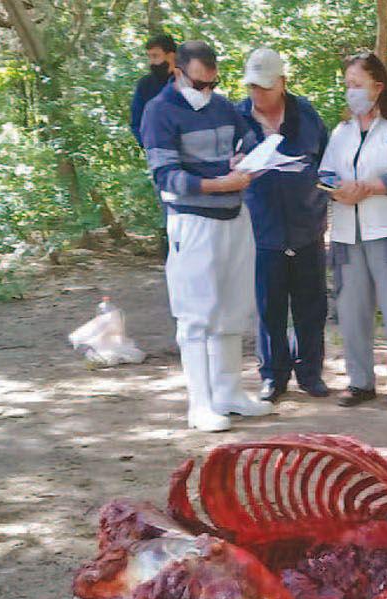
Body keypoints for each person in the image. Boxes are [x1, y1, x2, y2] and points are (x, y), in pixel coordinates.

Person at [141, 40, 272, 431]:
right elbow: (167, 176)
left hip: (235, 218)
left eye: (212, 83)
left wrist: (247, 164)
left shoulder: (223, 107)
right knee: (197, 314)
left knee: (233, 309)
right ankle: (200, 404)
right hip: (193, 222)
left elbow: (252, 144)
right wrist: (220, 183)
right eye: (199, 84)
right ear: (177, 72)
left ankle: (229, 392)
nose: (206, 91)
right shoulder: (158, 111)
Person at [319, 51, 387, 409]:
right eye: (347, 85)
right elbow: (325, 173)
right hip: (348, 233)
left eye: (357, 84)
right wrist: (337, 189)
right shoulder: (341, 132)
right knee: (352, 310)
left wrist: (367, 187)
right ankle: (359, 381)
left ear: (377, 87)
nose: (351, 92)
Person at [238, 48, 332, 402]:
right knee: (269, 307)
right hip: (260, 230)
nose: (258, 94)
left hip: (307, 224)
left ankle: (310, 372)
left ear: (282, 83)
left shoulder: (306, 115)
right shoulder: (237, 117)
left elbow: (326, 162)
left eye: (264, 86)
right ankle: (273, 376)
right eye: (252, 87)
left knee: (311, 306)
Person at [130, 34, 177, 149]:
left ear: (171, 56)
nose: (151, 62)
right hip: (158, 151)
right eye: (149, 57)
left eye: (155, 56)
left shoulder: (190, 80)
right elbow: (136, 121)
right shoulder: (145, 84)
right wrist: (149, 145)